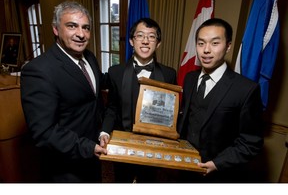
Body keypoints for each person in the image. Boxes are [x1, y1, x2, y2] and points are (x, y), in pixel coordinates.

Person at [20, 1, 107, 182]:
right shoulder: (38, 70)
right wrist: (87, 147)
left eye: (86, 28)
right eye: (72, 26)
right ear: (56, 29)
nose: (81, 34)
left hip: (93, 157)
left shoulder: (89, 57)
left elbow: (93, 94)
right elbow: (44, 131)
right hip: (65, 168)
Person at [177, 18, 264, 183]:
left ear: (228, 46)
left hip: (219, 176)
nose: (206, 50)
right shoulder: (189, 79)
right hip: (184, 167)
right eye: (201, 43)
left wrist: (217, 164)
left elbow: (251, 142)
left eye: (215, 43)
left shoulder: (246, 89)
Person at [99, 18, 177, 182]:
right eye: (140, 35)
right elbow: (112, 108)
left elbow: (170, 113)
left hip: (153, 146)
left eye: (151, 36)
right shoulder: (115, 72)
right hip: (122, 143)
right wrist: (105, 131)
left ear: (158, 43)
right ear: (131, 41)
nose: (145, 41)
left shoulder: (169, 74)